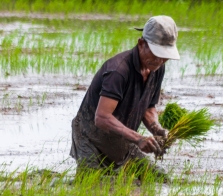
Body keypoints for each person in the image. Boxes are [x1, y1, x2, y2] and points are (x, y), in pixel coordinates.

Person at [70, 16, 179, 181]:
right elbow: (102, 117)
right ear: (141, 44)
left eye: (165, 56)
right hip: (92, 139)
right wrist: (139, 138)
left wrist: (158, 130)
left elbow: (148, 108)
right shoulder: (118, 70)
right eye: (157, 54)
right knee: (95, 185)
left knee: (160, 178)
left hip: (122, 141)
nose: (160, 60)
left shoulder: (157, 68)